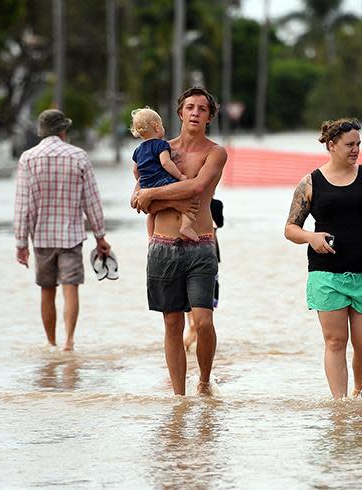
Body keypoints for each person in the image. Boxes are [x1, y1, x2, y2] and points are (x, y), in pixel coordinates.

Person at [284, 118, 362, 399]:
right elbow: (290, 229)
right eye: (350, 145)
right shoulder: (310, 183)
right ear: (331, 146)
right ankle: (341, 405)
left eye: (358, 144)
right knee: (335, 341)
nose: (356, 149)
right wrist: (312, 237)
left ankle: (359, 393)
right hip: (326, 275)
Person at [131, 87, 227, 396]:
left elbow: (197, 187)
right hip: (162, 244)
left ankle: (204, 381)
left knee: (202, 322)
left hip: (200, 243)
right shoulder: (155, 149)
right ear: (180, 113)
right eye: (190, 107)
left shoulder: (215, 152)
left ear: (210, 116)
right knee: (172, 323)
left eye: (202, 108)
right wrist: (151, 199)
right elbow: (138, 201)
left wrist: (153, 195)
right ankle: (179, 398)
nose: (196, 112)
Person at [14, 109, 111, 351]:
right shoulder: (79, 156)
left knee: (47, 291)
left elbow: (22, 204)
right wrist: (100, 236)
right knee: (71, 288)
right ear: (63, 130)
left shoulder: (28, 158)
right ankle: (69, 342)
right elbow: (92, 201)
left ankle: (51, 343)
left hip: (42, 236)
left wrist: (21, 243)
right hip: (71, 236)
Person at [130, 107, 199, 241]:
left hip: (145, 184)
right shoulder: (161, 145)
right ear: (156, 126)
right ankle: (186, 226)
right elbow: (166, 163)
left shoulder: (138, 150)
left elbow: (135, 170)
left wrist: (141, 183)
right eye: (161, 125)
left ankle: (151, 236)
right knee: (189, 197)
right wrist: (180, 177)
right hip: (162, 181)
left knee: (151, 213)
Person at [184, 197, 224, 353]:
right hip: (201, 254)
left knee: (200, 301)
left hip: (205, 254)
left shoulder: (215, 204)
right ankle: (193, 330)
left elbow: (217, 224)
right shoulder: (191, 202)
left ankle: (194, 331)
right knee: (195, 301)